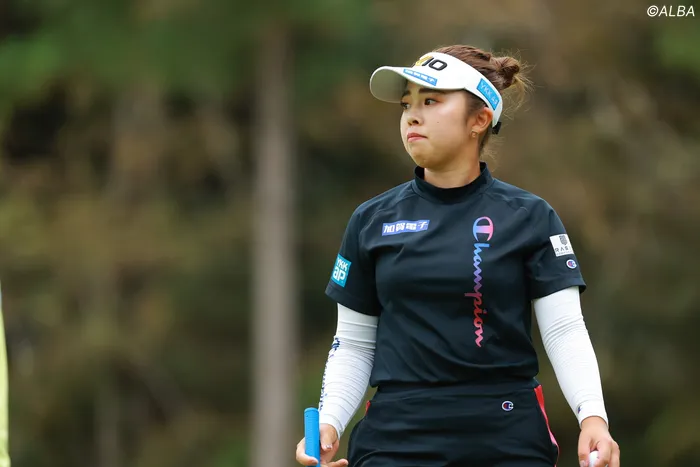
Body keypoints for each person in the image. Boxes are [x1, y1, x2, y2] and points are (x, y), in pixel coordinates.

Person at [295, 44, 620, 467]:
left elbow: (564, 330)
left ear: (479, 120)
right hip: (396, 437)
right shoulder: (371, 220)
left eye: (431, 101)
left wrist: (593, 418)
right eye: (407, 104)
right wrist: (331, 423)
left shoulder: (531, 217)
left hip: (506, 434)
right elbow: (354, 343)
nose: (412, 116)